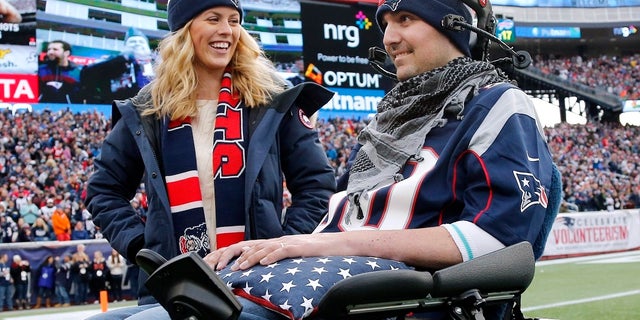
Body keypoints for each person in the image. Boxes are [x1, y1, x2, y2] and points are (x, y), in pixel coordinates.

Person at [129, 0, 556, 319]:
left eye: (405, 20)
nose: (388, 39)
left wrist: (312, 243)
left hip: (375, 298)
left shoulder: (499, 104)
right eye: (386, 24)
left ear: (457, 26)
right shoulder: (393, 115)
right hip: (323, 280)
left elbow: (499, 241)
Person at [83, 0, 336, 318]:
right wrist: (141, 246)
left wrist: (282, 247)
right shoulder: (147, 109)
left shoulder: (273, 101)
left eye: (233, 20)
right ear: (183, 31)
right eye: (213, 18)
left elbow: (317, 187)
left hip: (260, 284)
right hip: (175, 285)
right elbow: (103, 190)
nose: (226, 30)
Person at [80, 27, 155, 104]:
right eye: (133, 41)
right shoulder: (113, 61)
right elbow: (87, 73)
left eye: (141, 42)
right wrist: (121, 59)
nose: (137, 44)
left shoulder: (157, 65)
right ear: (125, 47)